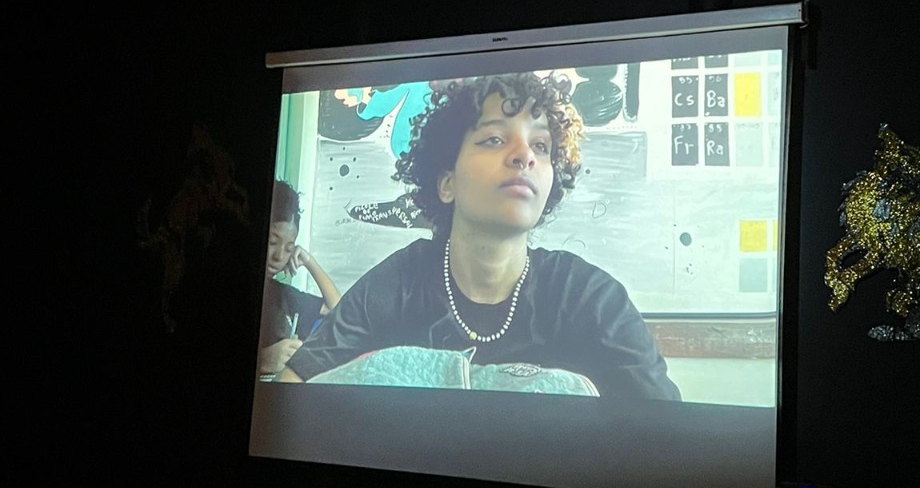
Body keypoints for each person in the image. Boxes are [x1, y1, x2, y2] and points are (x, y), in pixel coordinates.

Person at [277, 73, 680, 402]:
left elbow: (666, 441)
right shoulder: (399, 283)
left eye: (541, 145)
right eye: (494, 139)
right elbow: (290, 392)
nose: (525, 155)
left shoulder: (591, 299)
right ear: (447, 183)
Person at [259, 180, 342, 376]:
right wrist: (262, 360)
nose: (279, 256)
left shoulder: (283, 295)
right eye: (273, 242)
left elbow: (338, 309)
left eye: (289, 248)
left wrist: (308, 260)